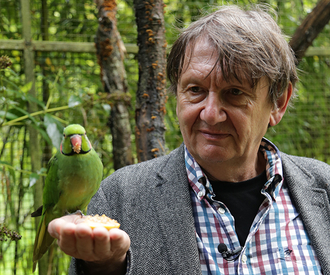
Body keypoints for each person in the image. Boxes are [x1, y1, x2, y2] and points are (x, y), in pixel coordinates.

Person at [48, 4, 330, 275]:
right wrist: (105, 267)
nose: (210, 114)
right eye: (195, 90)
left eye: (234, 92)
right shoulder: (119, 198)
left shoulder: (324, 190)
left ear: (278, 103)